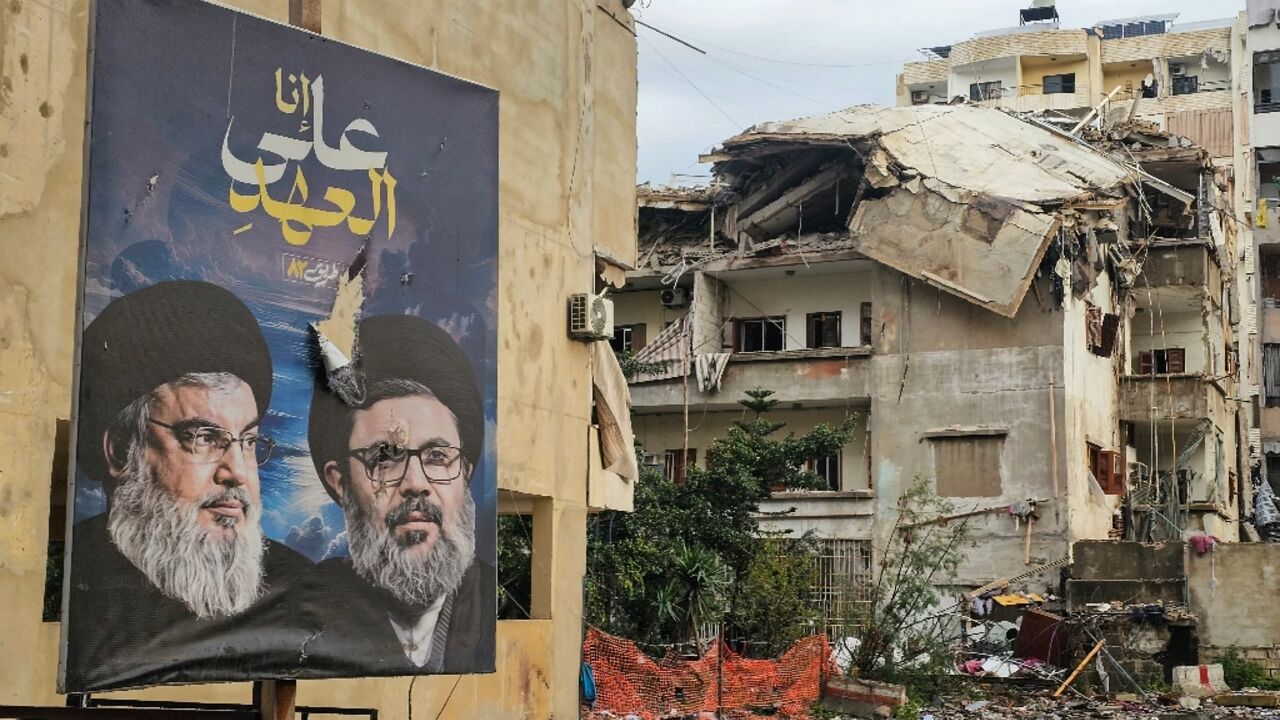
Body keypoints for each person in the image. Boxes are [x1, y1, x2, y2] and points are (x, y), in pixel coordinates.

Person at [64, 280, 310, 691]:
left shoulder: (302, 586)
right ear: (122, 451)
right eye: (204, 438)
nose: (236, 472)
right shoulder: (76, 583)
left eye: (248, 442)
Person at [301, 313, 494, 676]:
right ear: (340, 482)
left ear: (465, 475)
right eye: (385, 459)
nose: (416, 483)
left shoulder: (490, 604)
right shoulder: (304, 610)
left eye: (438, 457)